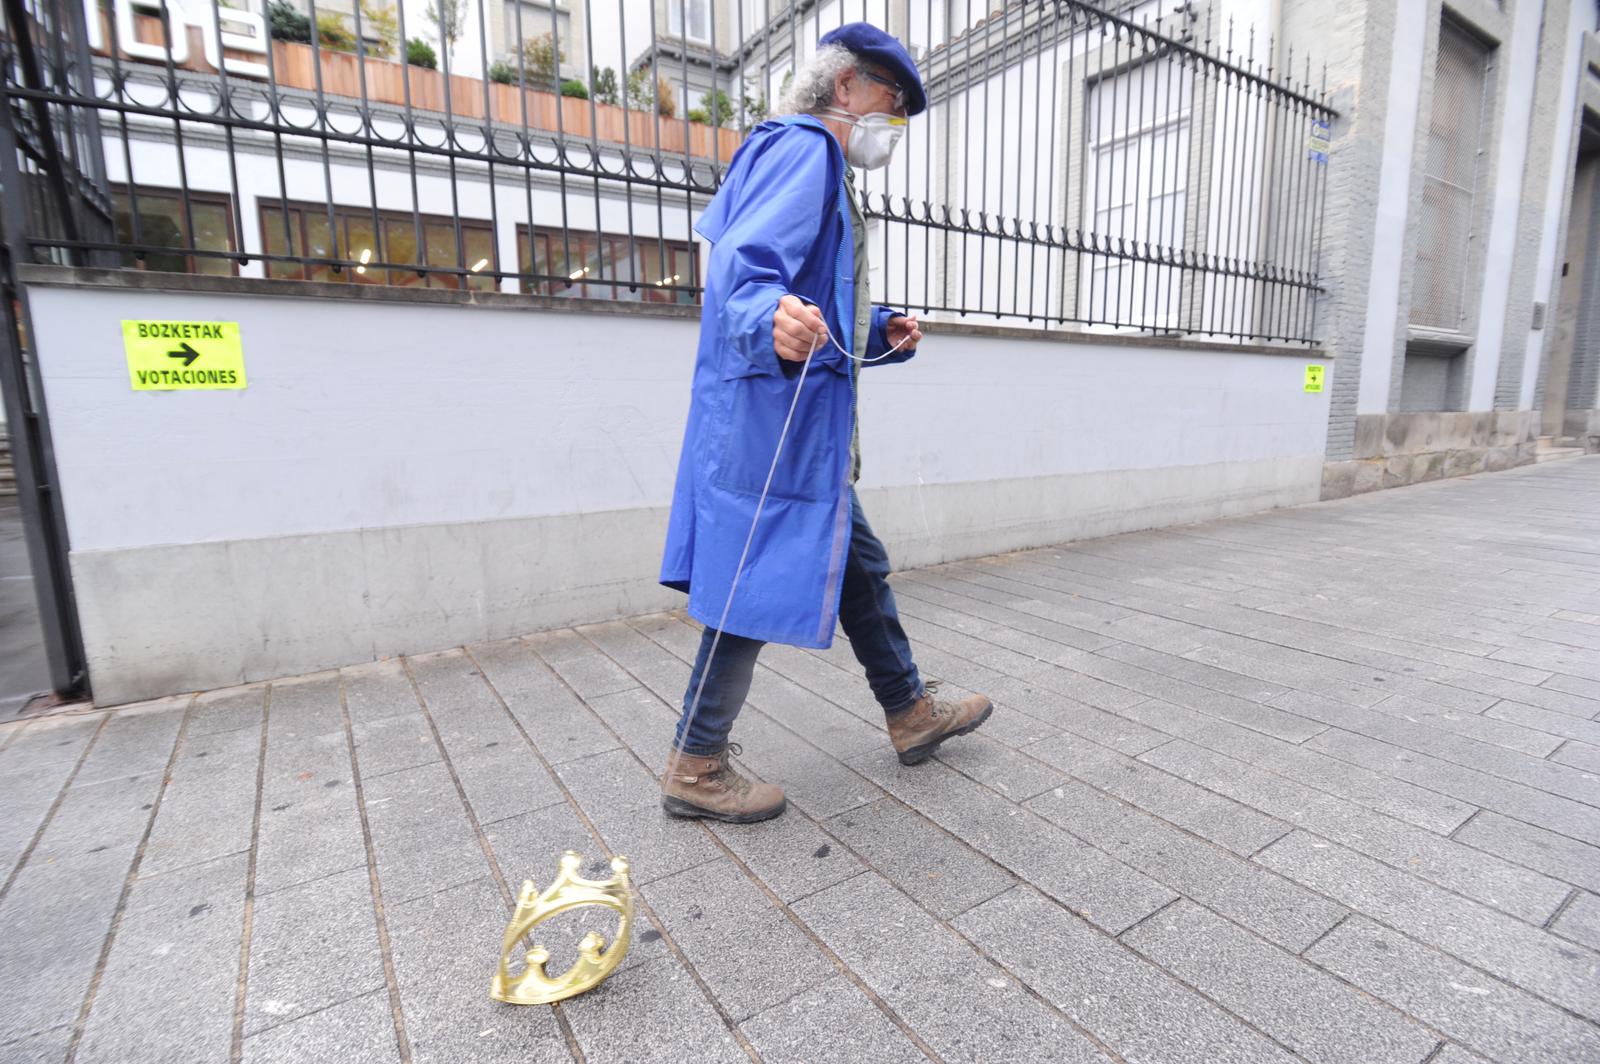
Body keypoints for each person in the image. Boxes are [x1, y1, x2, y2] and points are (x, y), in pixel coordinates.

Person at [658, 22, 993, 824]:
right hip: (783, 428)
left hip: (794, 421)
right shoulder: (806, 149)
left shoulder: (811, 161)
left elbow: (814, 302)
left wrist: (880, 332)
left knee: (859, 566)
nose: (897, 121)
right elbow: (745, 265)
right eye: (892, 99)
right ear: (846, 88)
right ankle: (697, 762)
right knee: (754, 580)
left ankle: (909, 711)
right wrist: (764, 315)